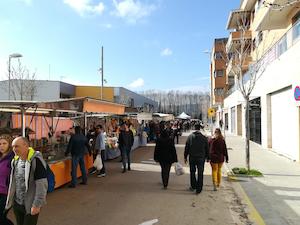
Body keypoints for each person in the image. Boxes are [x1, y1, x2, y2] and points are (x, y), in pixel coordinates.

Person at [6, 137, 48, 225]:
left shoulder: (36, 161)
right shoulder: (15, 161)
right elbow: (13, 182)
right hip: (17, 204)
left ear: (26, 145)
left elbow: (42, 185)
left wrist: (37, 205)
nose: (14, 149)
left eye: (17, 146)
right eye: (13, 147)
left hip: (30, 204)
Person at [184, 123, 209, 194]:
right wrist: (208, 157)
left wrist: (185, 157)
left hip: (192, 157)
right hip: (201, 158)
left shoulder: (190, 137)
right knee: (200, 173)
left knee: (192, 172)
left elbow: (187, 148)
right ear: (200, 129)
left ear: (194, 128)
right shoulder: (204, 138)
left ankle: (193, 186)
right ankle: (199, 189)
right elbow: (207, 148)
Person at [0, 135, 14, 225]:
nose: (1, 146)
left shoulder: (12, 158)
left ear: (9, 145)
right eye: (0, 144)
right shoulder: (0, 157)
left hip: (6, 193)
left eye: (4, 143)